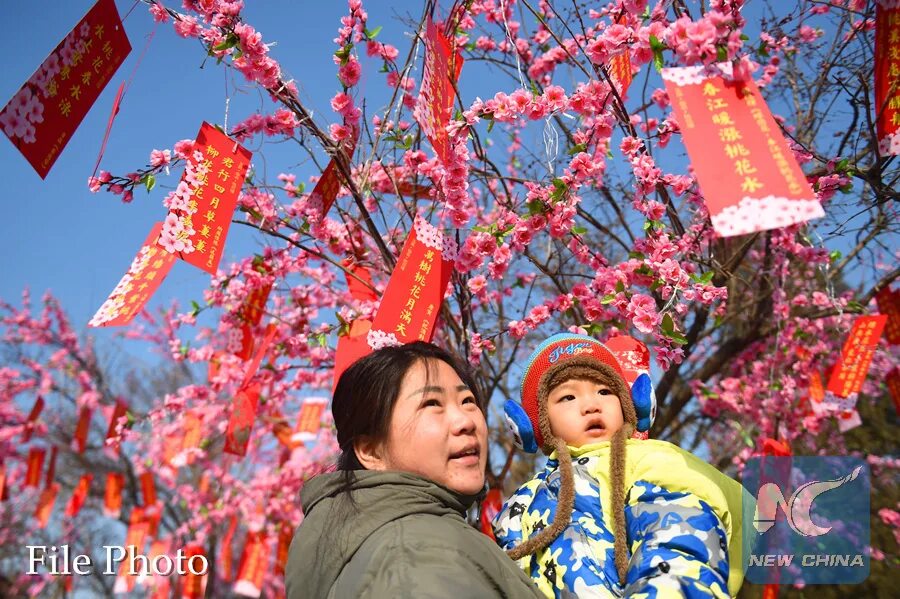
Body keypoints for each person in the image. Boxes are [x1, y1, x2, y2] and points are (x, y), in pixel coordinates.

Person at [494, 332, 746, 598]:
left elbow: (678, 545)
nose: (592, 405)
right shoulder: (521, 503)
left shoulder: (649, 464)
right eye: (568, 397)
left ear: (632, 405)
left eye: (605, 391)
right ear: (532, 426)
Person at [285, 341, 544, 599]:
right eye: (432, 403)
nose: (465, 421)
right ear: (371, 451)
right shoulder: (416, 554)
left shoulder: (391, 546)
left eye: (467, 400)